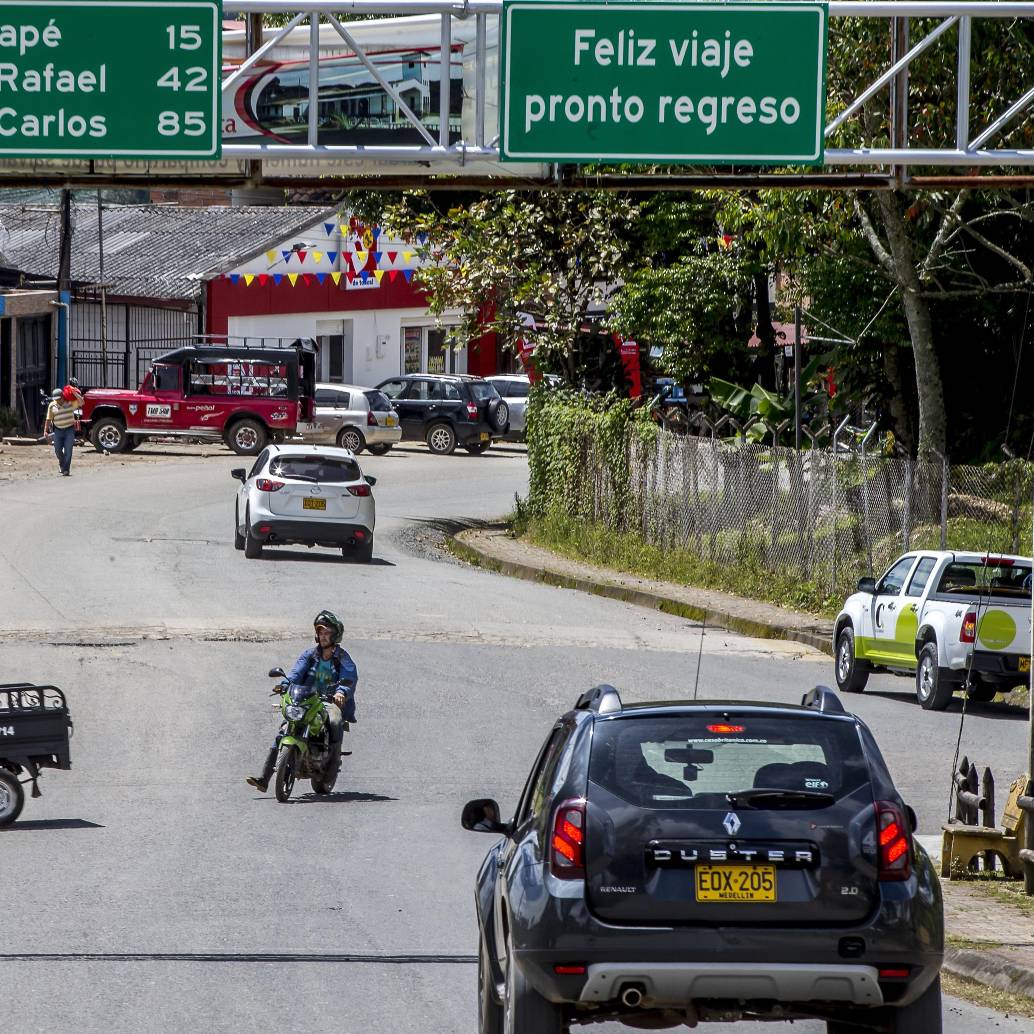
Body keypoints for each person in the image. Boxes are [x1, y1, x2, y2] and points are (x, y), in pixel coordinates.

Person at [246, 610, 358, 793]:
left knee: (335, 721)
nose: (323, 637)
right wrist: (284, 685)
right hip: (307, 698)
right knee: (285, 728)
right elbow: (295, 673)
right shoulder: (310, 654)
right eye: (320, 633)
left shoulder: (343, 658)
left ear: (335, 635)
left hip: (329, 701)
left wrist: (341, 692)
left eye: (327, 633)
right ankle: (265, 778)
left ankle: (331, 765)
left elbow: (350, 677)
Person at [43, 383, 83, 476]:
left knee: (68, 451)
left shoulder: (70, 403)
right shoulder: (52, 406)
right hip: (58, 431)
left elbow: (81, 402)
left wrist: (75, 393)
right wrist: (46, 431)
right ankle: (61, 463)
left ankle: (66, 469)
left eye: (59, 399)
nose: (57, 401)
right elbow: (48, 419)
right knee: (57, 450)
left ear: (63, 397)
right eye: (55, 399)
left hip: (69, 430)